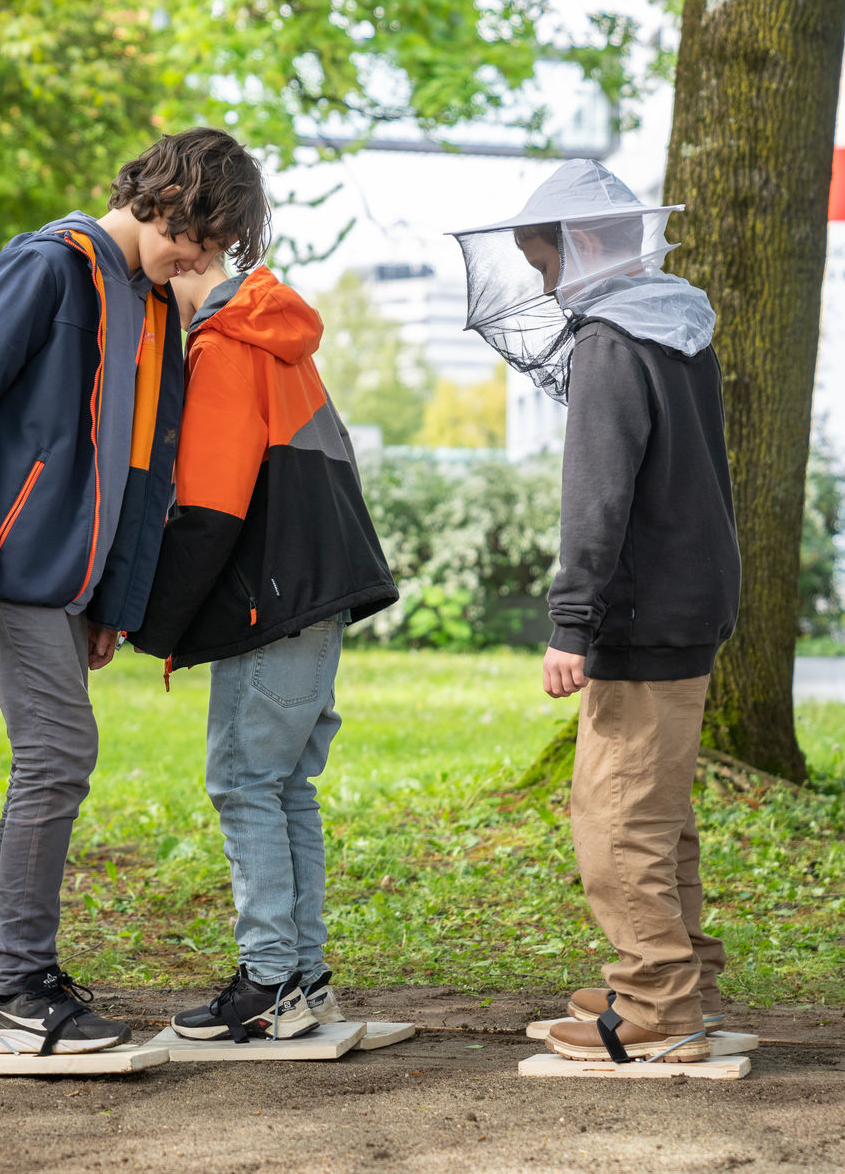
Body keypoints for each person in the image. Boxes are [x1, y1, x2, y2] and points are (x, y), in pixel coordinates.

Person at [0, 127, 270, 1055]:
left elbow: (147, 469)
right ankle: (12, 989)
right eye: (202, 233)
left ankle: (15, 979)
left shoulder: (152, 306)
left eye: (219, 246)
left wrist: (117, 602)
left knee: (56, 757)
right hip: (10, 564)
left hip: (76, 586)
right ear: (163, 198)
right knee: (58, 753)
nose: (202, 257)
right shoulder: (49, 267)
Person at [449, 159, 740, 1064]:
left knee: (615, 817)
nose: (541, 278)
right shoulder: (680, 328)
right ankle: (675, 977)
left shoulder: (611, 343)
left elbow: (598, 497)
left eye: (543, 260)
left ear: (581, 248)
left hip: (642, 612)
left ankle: (655, 1009)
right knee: (661, 813)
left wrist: (571, 624)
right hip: (691, 602)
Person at [129, 254, 396, 1042]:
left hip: (271, 605)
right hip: (315, 599)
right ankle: (304, 979)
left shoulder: (224, 343)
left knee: (245, 783)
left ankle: (270, 981)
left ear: (181, 260)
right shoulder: (283, 338)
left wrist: (150, 627)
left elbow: (209, 512)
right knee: (284, 788)